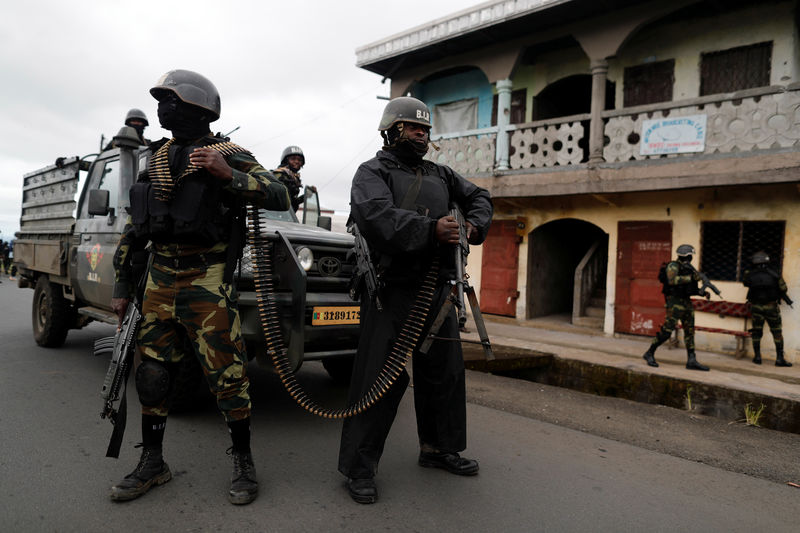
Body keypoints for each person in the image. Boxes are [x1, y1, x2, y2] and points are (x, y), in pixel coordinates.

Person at [109, 69, 290, 505]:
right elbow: (137, 227)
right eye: (159, 101)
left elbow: (280, 193)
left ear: (197, 105)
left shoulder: (227, 152)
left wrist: (229, 175)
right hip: (157, 277)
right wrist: (122, 282)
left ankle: (243, 461)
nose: (161, 108)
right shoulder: (155, 157)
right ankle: (153, 462)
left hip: (206, 277)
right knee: (151, 374)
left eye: (169, 99)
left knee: (227, 374)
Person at [338, 96, 493, 504]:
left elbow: (480, 197)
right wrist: (430, 230)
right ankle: (359, 467)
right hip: (392, 290)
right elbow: (375, 216)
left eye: (425, 129)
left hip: (438, 287)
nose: (421, 134)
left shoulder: (441, 174)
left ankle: (439, 448)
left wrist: (474, 225)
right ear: (391, 130)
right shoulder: (371, 172)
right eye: (412, 127)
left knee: (444, 372)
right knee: (378, 378)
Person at [642, 244, 710, 371]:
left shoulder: (689, 268)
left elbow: (689, 288)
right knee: (667, 331)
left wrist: (702, 292)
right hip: (674, 302)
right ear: (686, 255)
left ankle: (691, 360)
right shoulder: (673, 266)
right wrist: (691, 277)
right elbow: (672, 280)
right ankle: (649, 353)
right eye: (690, 255)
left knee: (689, 331)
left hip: (686, 302)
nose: (691, 258)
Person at [743, 251, 793, 367]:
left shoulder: (749, 274)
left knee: (756, 332)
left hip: (756, 307)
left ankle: (757, 357)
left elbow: (746, 283)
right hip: (771, 307)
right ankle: (780, 359)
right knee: (777, 332)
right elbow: (783, 289)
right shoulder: (774, 273)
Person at [272, 145, 311, 211]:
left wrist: (306, 195)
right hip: (276, 214)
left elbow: (292, 202)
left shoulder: (293, 177)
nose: (297, 162)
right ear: (285, 160)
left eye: (299, 160)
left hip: (286, 215)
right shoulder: (279, 174)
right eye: (293, 159)